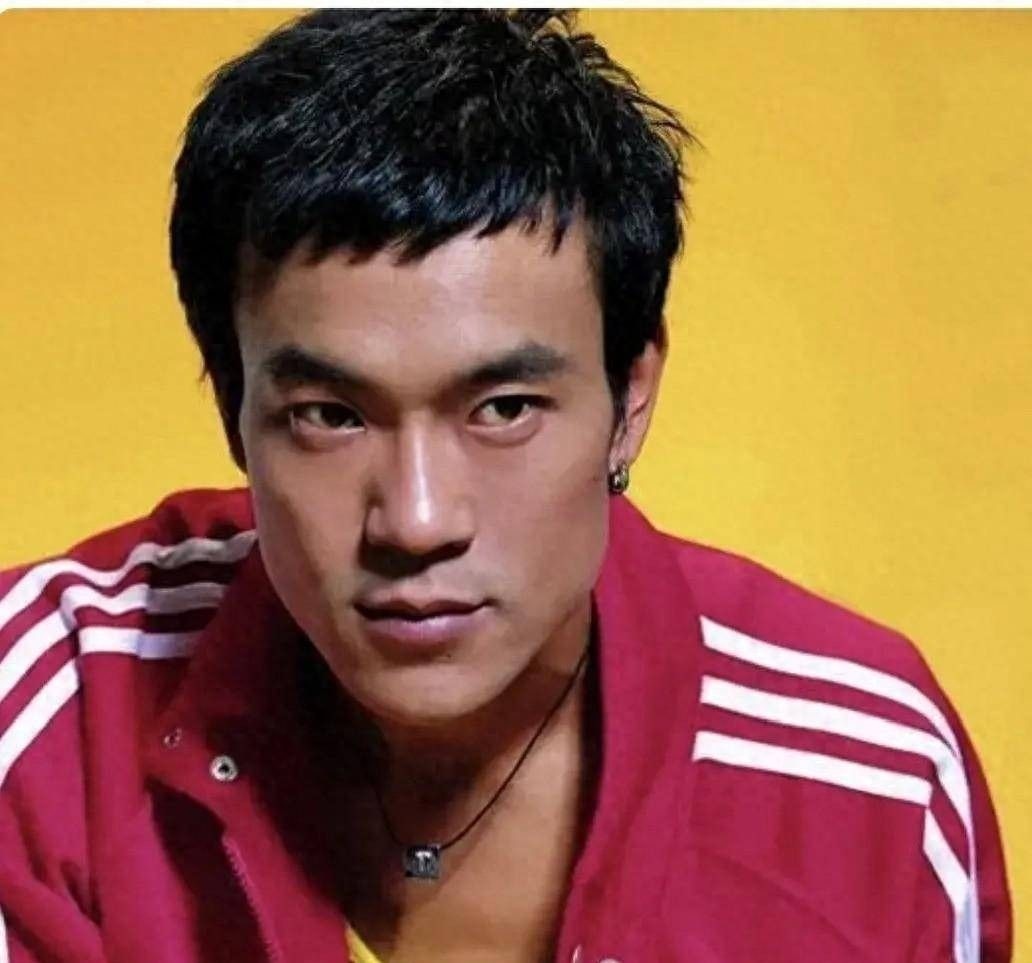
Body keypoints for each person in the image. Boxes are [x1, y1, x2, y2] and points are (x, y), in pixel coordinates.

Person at [0, 9, 1011, 963]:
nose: (417, 520)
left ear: (630, 398)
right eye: (330, 415)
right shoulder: (49, 717)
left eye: (505, 408)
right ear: (232, 406)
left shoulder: (864, 781)